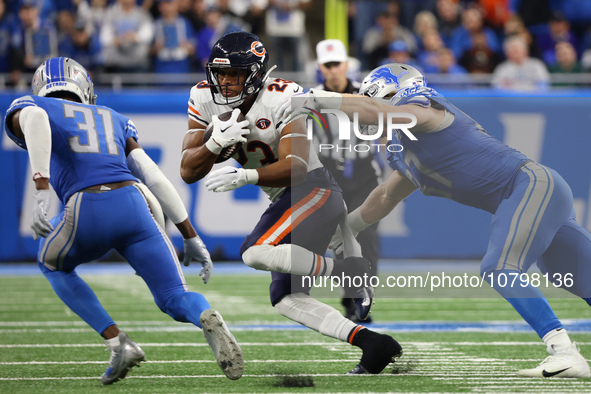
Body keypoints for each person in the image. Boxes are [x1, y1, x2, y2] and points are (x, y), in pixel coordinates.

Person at [275, 62, 591, 379]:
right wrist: (348, 229)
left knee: (499, 267)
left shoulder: (427, 112)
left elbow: (384, 114)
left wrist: (321, 99)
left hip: (530, 186)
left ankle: (563, 352)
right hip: (540, 191)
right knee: (579, 276)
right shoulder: (407, 150)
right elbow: (385, 196)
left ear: (394, 94)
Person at [3, 57, 244, 385]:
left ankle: (118, 343)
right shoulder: (113, 117)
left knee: (51, 262)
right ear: (84, 87)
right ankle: (204, 314)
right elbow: (154, 176)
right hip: (135, 203)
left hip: (87, 203)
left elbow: (34, 116)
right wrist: (189, 235)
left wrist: (42, 185)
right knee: (174, 296)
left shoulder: (36, 105)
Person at [180, 31, 402, 375]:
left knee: (253, 251)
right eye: (220, 73)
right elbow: (187, 169)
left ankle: (345, 270)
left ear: (255, 74)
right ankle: (373, 344)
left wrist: (247, 177)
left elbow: (297, 168)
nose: (224, 82)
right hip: (286, 199)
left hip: (314, 190)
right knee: (287, 299)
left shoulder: (282, 96)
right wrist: (212, 145)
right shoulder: (202, 96)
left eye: (235, 74)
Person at [313, 38, 380, 323]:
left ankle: (361, 300)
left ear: (346, 64)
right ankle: (350, 294)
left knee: (366, 238)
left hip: (364, 176)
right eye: (328, 65)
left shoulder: (366, 95)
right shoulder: (312, 98)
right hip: (330, 177)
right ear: (321, 68)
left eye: (337, 64)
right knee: (339, 241)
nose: (333, 70)